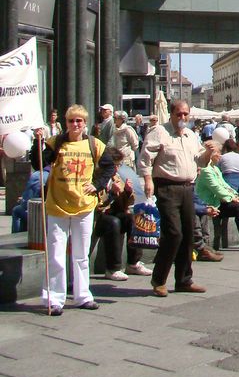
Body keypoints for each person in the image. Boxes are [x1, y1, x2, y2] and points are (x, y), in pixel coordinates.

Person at [138, 99, 219, 297]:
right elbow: (146, 157)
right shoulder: (160, 132)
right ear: (172, 115)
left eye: (185, 114)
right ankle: (159, 279)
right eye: (179, 114)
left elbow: (199, 159)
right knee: (173, 233)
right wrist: (148, 179)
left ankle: (184, 279)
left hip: (187, 188)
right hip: (167, 187)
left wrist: (209, 152)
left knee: (188, 233)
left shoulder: (191, 135)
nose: (182, 118)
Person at [42, 105, 115, 315]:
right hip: (58, 204)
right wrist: (37, 144)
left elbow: (109, 167)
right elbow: (38, 161)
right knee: (56, 253)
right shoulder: (56, 142)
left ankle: (83, 295)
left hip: (84, 205)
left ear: (85, 123)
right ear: (66, 123)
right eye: (71, 121)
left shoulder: (95, 144)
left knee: (81, 253)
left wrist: (98, 184)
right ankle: (55, 298)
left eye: (79, 121)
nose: (75, 125)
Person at [93, 151, 150, 280]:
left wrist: (128, 192)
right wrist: (111, 194)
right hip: (99, 217)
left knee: (133, 219)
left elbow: (128, 203)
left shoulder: (117, 178)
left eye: (119, 165)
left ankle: (133, 263)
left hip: (115, 213)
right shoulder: (98, 179)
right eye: (115, 165)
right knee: (113, 223)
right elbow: (99, 205)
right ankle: (112, 268)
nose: (117, 168)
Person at [195, 156, 239, 251]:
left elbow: (224, 185)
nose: (220, 156)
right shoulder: (206, 171)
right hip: (210, 204)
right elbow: (217, 189)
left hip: (220, 200)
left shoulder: (215, 169)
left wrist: (236, 196)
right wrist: (232, 199)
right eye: (217, 153)